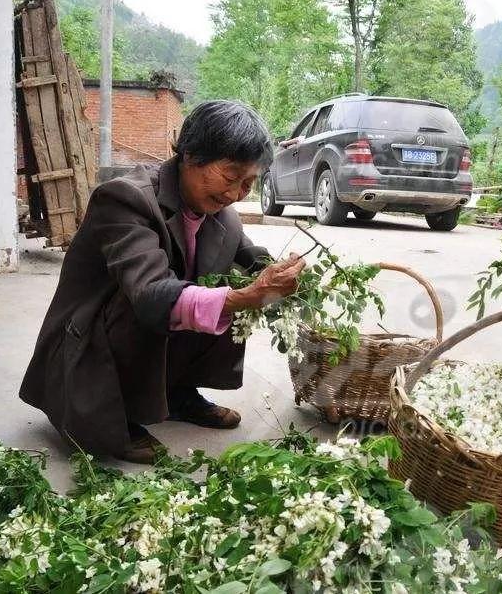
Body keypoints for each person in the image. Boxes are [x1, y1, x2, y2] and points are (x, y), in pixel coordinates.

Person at [20, 100, 306, 464]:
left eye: (248, 183)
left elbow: (251, 258)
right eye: (231, 176)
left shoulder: (223, 215)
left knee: (225, 284)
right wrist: (247, 296)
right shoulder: (125, 199)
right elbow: (152, 294)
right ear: (190, 154)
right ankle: (113, 415)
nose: (235, 194)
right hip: (87, 343)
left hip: (144, 322)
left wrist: (281, 271)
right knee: (176, 298)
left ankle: (175, 394)